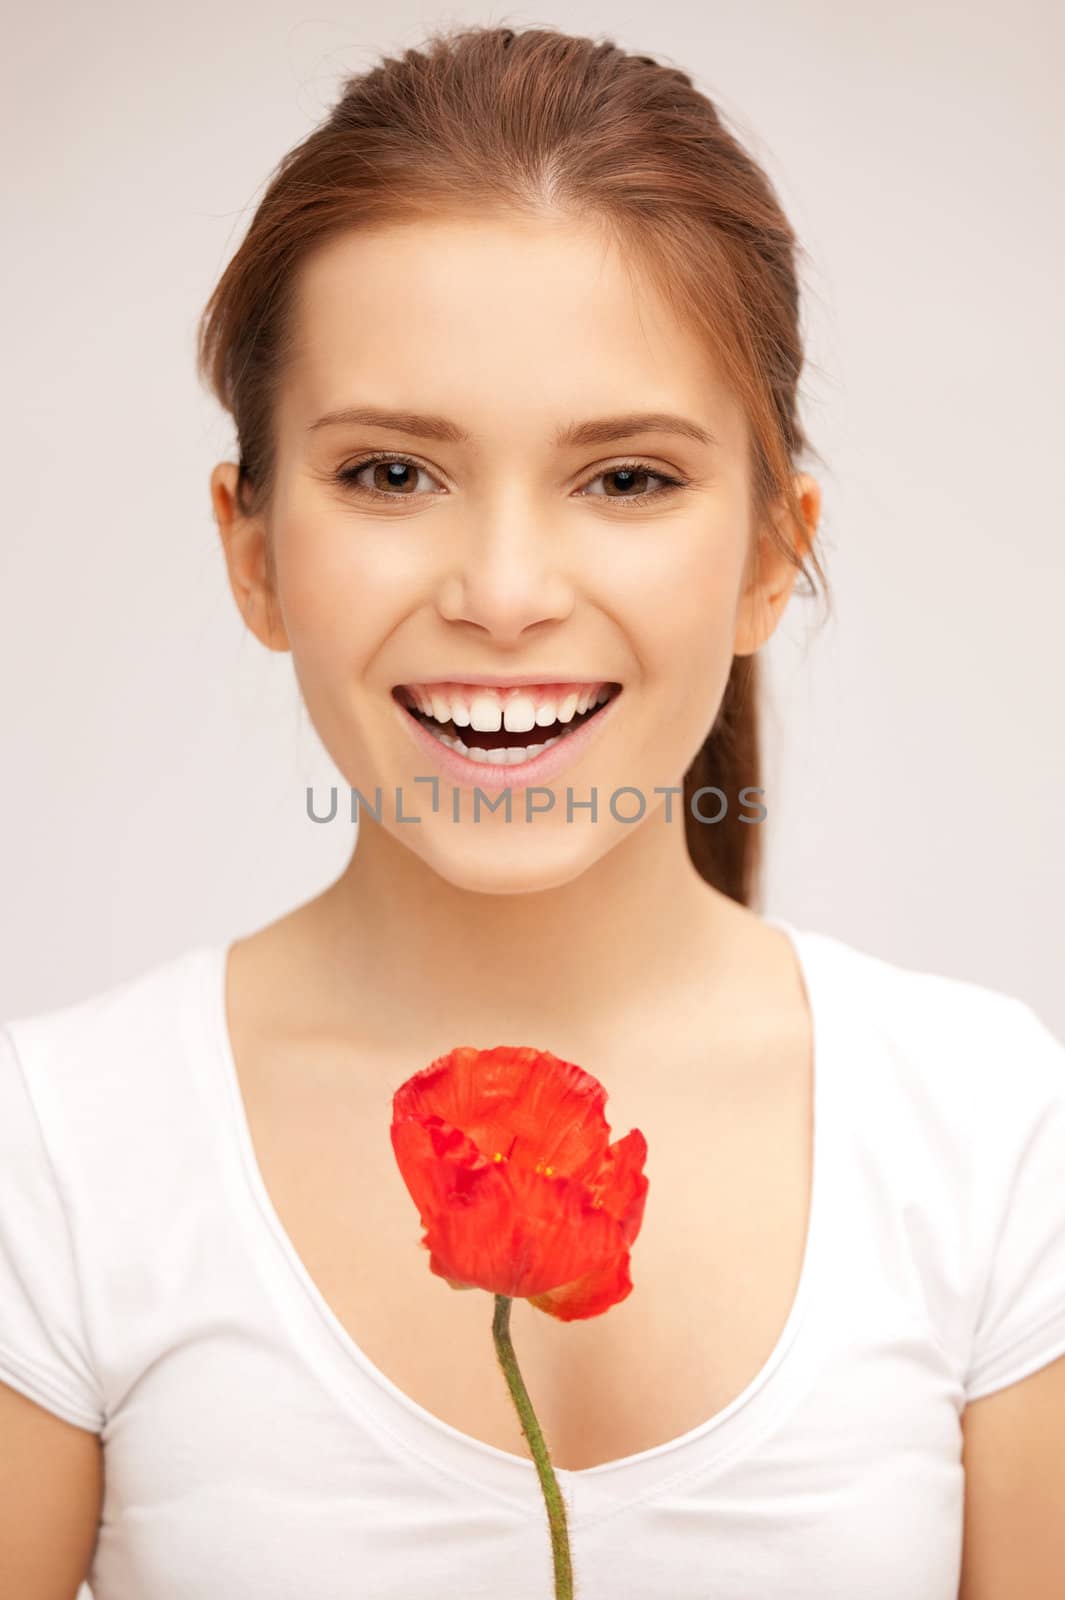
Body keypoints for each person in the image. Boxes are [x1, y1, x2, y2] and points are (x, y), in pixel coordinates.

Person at [2, 22, 1062, 1600]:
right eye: (389, 476)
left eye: (626, 479)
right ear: (251, 549)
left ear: (775, 551)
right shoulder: (58, 1154)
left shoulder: (986, 1130)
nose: (502, 597)